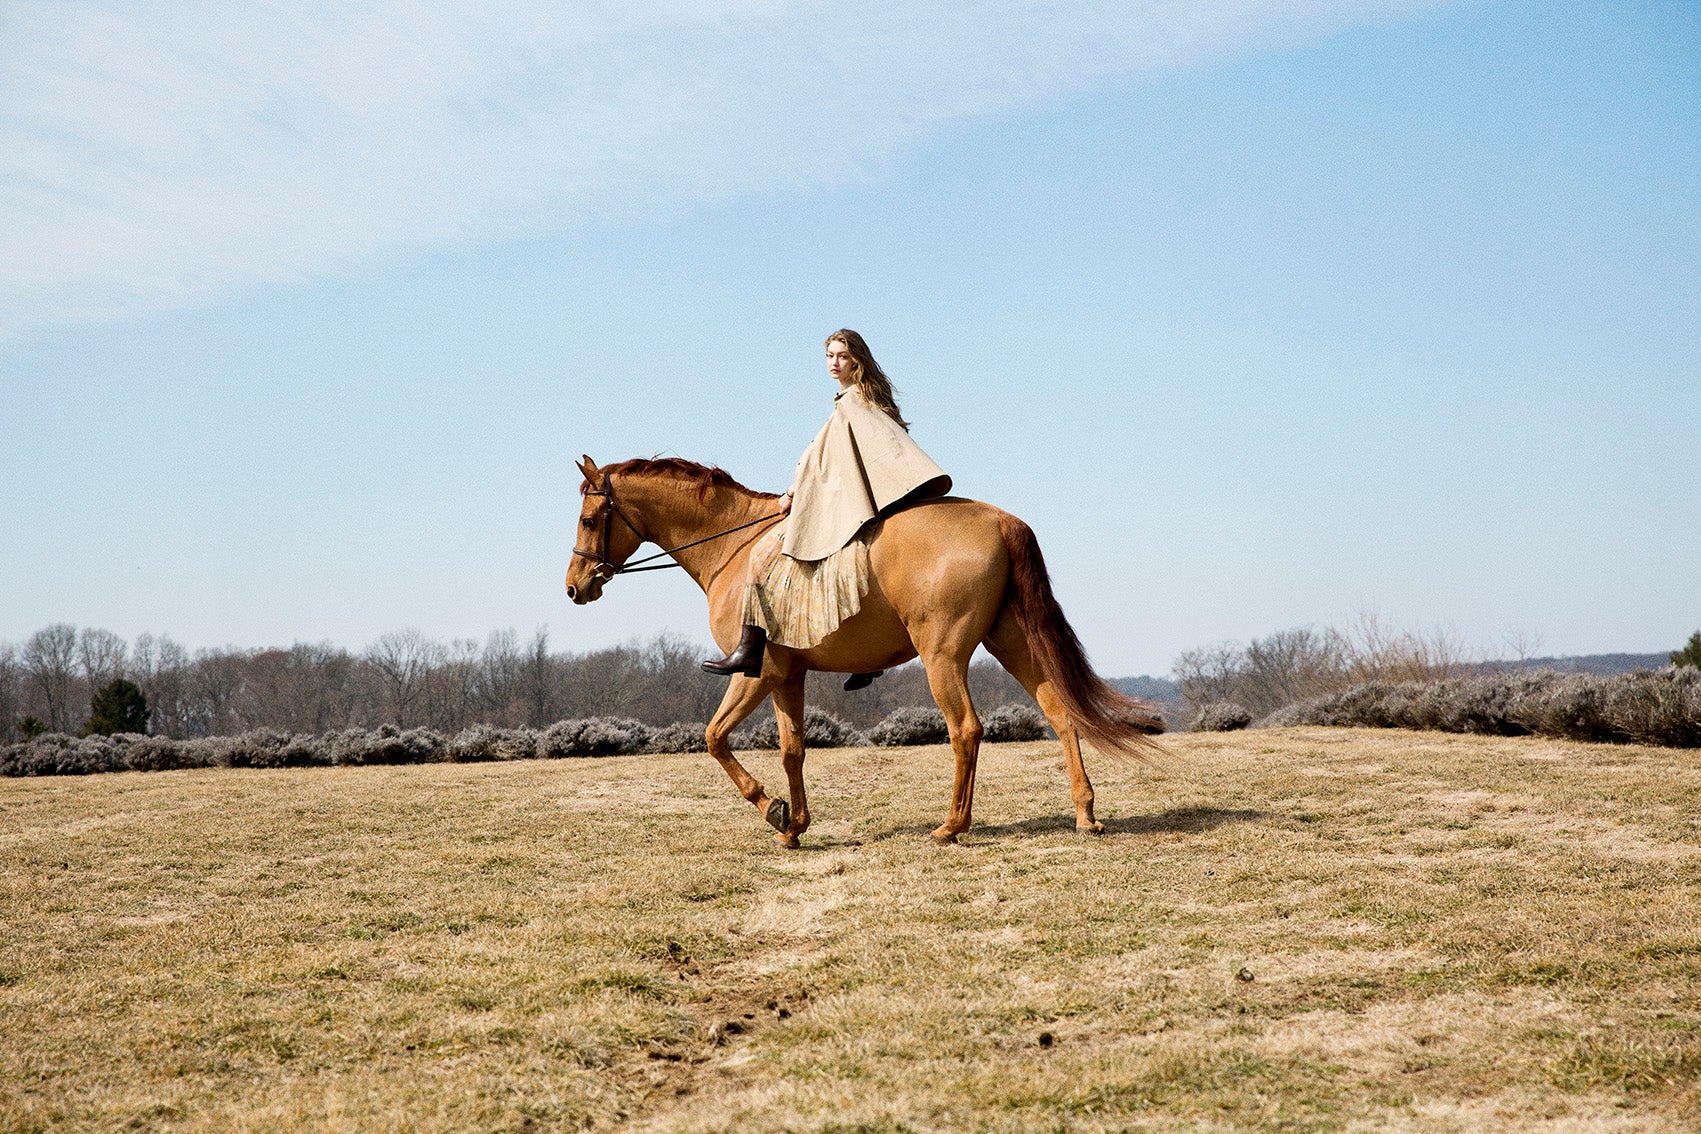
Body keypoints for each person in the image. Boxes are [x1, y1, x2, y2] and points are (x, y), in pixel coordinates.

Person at [702, 330, 952, 682]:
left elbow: (826, 464)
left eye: (842, 356)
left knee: (760, 557)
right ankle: (869, 658)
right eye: (830, 356)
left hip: (841, 502)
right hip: (855, 499)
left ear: (857, 360)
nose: (834, 363)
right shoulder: (861, 399)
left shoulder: (853, 403)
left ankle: (748, 648)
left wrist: (794, 493)